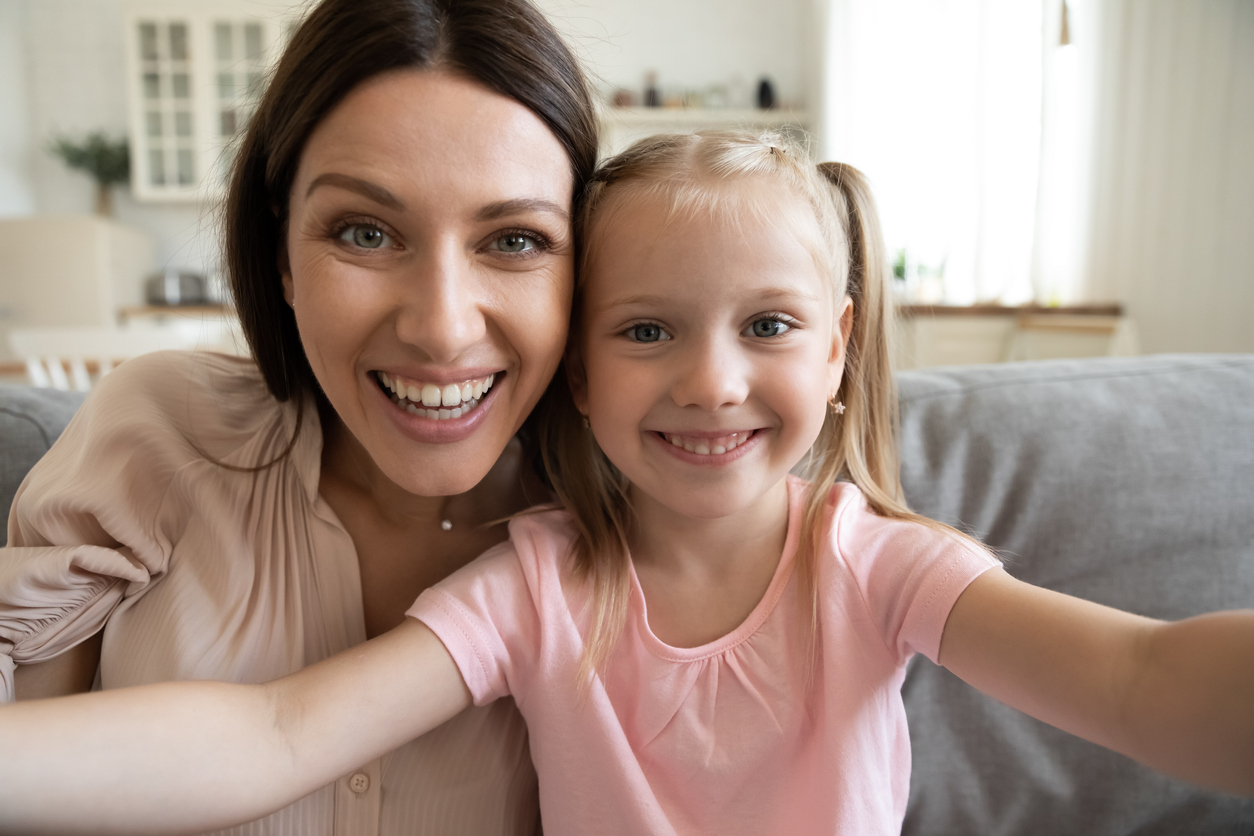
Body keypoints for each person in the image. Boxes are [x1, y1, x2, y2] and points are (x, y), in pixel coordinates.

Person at [2, 131, 1252, 836]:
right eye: (648, 331)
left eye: (767, 325)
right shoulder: (534, 583)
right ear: (578, 374)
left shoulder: (879, 562)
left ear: (839, 351)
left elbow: (1137, 677)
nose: (711, 382)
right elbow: (277, 731)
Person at [0, 0, 598, 833]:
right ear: (281, 258)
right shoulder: (153, 439)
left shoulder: (633, 531)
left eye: (515, 240)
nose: (442, 326)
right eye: (364, 232)